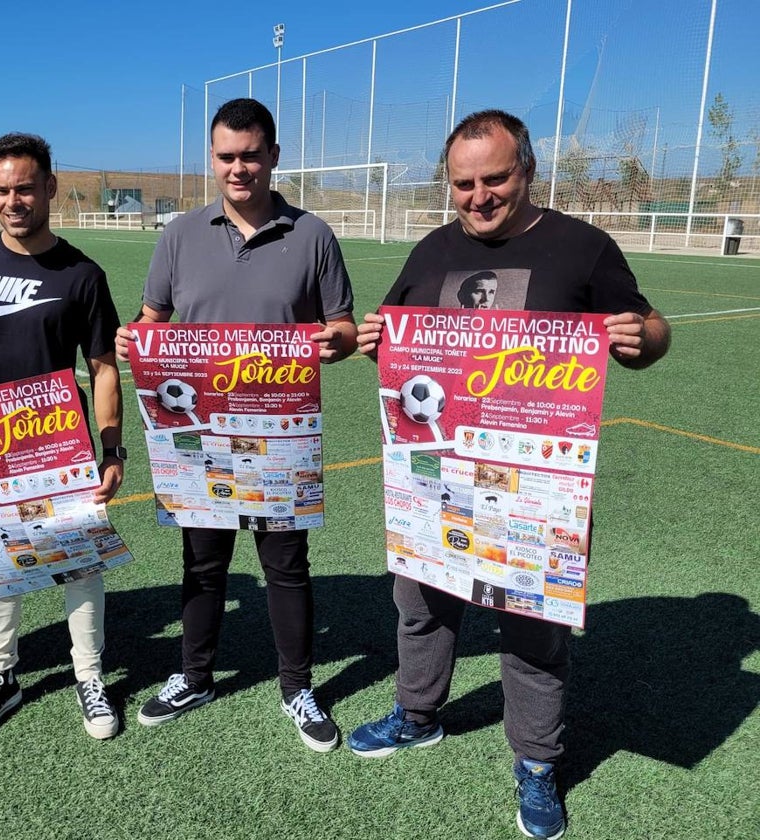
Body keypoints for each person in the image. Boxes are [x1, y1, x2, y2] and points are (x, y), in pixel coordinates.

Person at [349, 110, 671, 839]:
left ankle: (536, 761)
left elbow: (654, 332)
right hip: (435, 475)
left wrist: (638, 337)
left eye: (495, 178)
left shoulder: (583, 248)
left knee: (532, 629)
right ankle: (418, 714)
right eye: (464, 183)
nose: (479, 195)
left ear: (526, 169)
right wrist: (375, 341)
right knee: (422, 604)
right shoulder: (432, 250)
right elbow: (401, 348)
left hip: (535, 484)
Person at [115, 98, 359, 753]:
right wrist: (134, 337)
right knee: (202, 564)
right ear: (212, 160)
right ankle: (194, 675)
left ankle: (296, 687)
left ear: (274, 156)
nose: (239, 167)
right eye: (226, 156)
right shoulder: (179, 235)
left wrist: (336, 342)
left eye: (251, 154)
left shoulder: (313, 236)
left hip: (279, 437)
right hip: (198, 435)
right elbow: (152, 318)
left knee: (285, 566)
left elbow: (341, 324)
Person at [0, 133, 126, 741]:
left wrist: (112, 448)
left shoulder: (82, 273)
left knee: (79, 559)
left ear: (49, 189)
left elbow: (102, 368)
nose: (12, 201)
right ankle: (3, 677)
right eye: (2, 190)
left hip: (57, 442)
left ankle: (90, 678)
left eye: (23, 188)